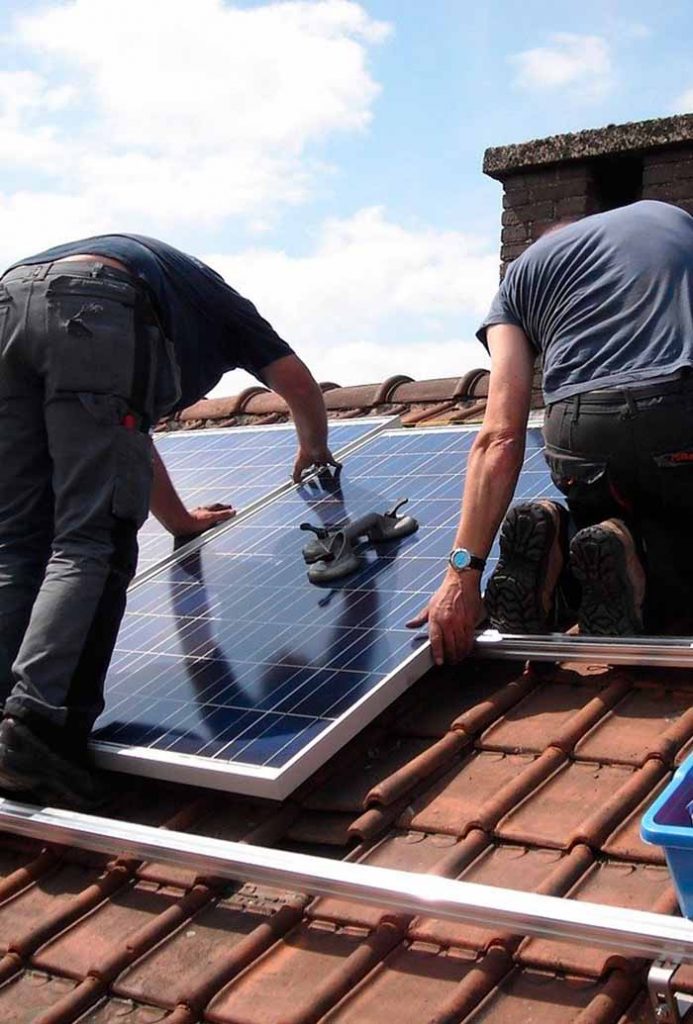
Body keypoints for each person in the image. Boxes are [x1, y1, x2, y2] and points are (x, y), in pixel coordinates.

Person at [0, 233, 337, 806]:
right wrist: (314, 446)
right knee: (92, 542)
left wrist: (179, 520)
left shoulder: (172, 297)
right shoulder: (225, 311)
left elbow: (126, 440)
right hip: (94, 303)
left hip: (8, 302)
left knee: (16, 541)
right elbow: (298, 384)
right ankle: (36, 730)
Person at [408, 200, 693, 664]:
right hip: (677, 410)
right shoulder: (670, 217)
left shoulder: (517, 278)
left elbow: (499, 433)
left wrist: (462, 572)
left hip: (578, 434)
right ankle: (638, 569)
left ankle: (562, 540)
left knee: (613, 508)